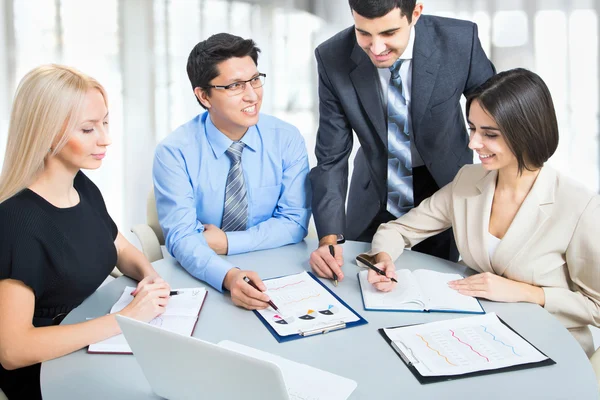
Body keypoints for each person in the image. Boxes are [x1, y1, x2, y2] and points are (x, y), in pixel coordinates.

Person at [364, 68, 600, 356]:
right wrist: (383, 259)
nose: (473, 143)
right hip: (477, 334)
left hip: (552, 346)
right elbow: (398, 230)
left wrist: (529, 294)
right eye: (472, 128)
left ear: (526, 133)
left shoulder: (579, 205)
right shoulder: (468, 180)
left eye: (489, 134)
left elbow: (596, 306)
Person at [0, 65, 171, 399]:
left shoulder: (81, 185)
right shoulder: (16, 223)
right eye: (89, 129)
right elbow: (13, 350)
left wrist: (150, 277)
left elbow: (119, 247)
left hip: (92, 335)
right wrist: (126, 318)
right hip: (46, 371)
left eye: (105, 123)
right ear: (46, 133)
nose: (105, 139)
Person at [309, 0, 495, 283]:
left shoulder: (459, 41)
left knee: (434, 289)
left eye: (389, 33)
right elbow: (331, 157)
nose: (377, 48)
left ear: (415, 14)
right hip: (374, 192)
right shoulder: (332, 56)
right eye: (364, 33)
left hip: (445, 190)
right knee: (361, 284)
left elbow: (497, 119)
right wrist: (328, 239)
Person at [153, 33, 311, 310]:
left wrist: (225, 241)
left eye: (255, 80)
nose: (252, 95)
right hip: (206, 276)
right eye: (236, 85)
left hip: (279, 272)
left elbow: (295, 224)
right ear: (204, 96)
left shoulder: (286, 139)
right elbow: (181, 237)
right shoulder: (174, 151)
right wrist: (228, 276)